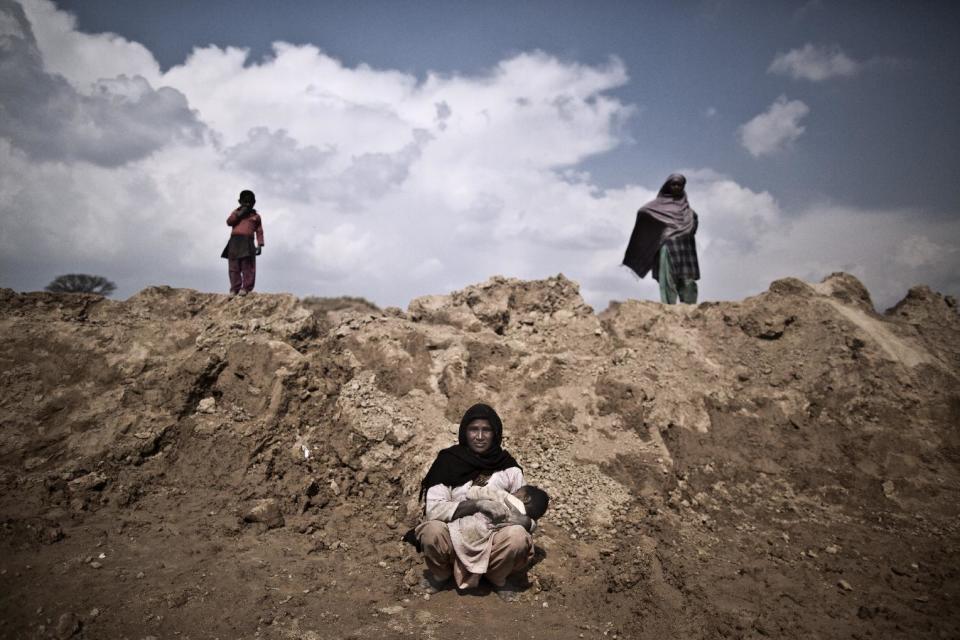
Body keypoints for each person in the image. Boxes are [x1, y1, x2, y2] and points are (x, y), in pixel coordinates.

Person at [411, 403, 535, 600]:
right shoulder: (447, 461)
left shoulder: (509, 469)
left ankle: (498, 577)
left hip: (493, 541)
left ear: (496, 433)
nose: (479, 436)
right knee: (431, 531)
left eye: (486, 430)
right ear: (464, 432)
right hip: (454, 538)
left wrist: (525, 522)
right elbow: (434, 510)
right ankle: (441, 574)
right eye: (473, 429)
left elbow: (526, 509)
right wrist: (477, 505)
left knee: (518, 536)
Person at [448, 484, 549, 590]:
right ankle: (495, 578)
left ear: (526, 498)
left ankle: (446, 573)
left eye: (518, 491)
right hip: (492, 551)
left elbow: (472, 493)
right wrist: (529, 523)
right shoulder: (525, 521)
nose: (513, 492)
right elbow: (533, 525)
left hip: (467, 535)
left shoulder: (506, 497)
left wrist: (475, 488)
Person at [622, 173, 700, 304]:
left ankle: (690, 309)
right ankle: (669, 309)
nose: (676, 187)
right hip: (668, 246)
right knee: (668, 279)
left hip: (685, 249)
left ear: (683, 187)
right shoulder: (658, 206)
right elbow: (643, 211)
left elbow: (693, 229)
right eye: (673, 184)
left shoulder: (690, 212)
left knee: (688, 280)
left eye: (679, 184)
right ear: (668, 186)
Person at [221, 189, 264, 297]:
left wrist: (260, 244)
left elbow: (259, 231)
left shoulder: (256, 216)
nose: (248, 204)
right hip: (234, 242)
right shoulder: (236, 212)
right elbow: (229, 222)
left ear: (254, 203)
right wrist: (240, 213)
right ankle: (234, 289)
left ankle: (245, 288)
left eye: (250, 202)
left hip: (248, 243)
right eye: (245, 202)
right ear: (240, 202)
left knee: (247, 267)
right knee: (233, 267)